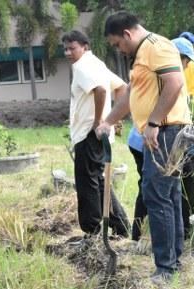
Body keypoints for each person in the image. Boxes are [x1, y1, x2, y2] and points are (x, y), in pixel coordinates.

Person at [96, 12, 192, 282]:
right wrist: (108, 121)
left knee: (156, 195)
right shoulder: (142, 55)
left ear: (127, 34)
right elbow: (131, 94)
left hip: (165, 132)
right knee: (168, 195)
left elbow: (174, 83)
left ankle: (166, 269)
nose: (119, 49)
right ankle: (173, 261)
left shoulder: (156, 47)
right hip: (163, 131)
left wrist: (153, 122)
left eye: (117, 44)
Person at [62, 30, 130, 240]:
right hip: (97, 135)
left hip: (89, 134)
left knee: (87, 183)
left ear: (85, 47)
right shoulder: (96, 64)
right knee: (99, 182)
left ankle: (92, 230)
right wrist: (114, 120)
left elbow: (101, 90)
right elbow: (121, 87)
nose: (68, 53)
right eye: (65, 48)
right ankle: (121, 226)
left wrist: (99, 121)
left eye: (72, 48)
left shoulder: (83, 66)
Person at [171, 36, 194, 242]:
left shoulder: (182, 76)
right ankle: (179, 231)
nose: (188, 65)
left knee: (188, 186)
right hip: (172, 142)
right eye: (186, 61)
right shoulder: (168, 77)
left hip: (187, 140)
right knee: (175, 189)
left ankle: (187, 229)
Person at [127, 127, 147, 241]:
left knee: (146, 186)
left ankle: (138, 236)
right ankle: (138, 236)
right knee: (149, 187)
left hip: (139, 138)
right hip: (145, 141)